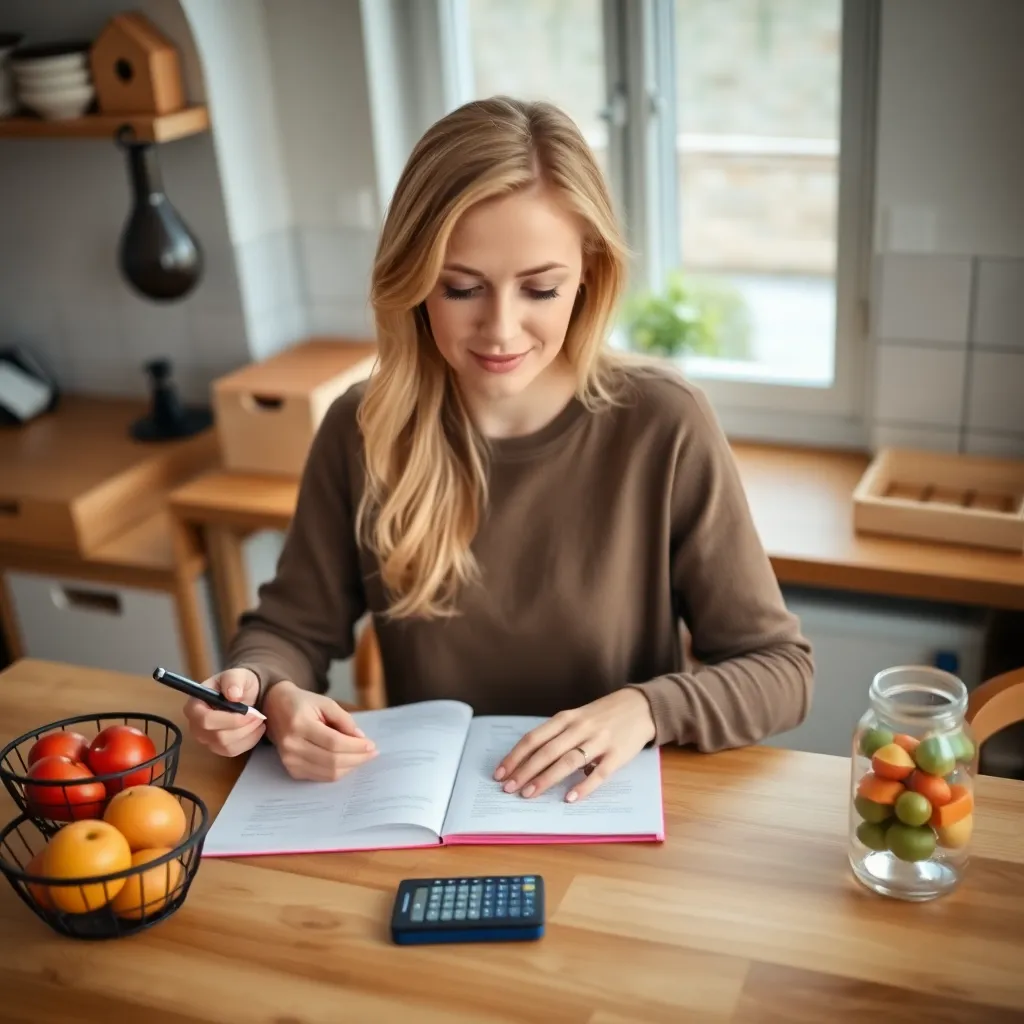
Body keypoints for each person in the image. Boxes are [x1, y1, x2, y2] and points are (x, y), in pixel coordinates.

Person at [184, 96, 813, 804]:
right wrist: (264, 691)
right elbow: (288, 629)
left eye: (540, 288)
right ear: (415, 280)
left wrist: (646, 709)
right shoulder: (362, 429)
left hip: (609, 815)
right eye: (461, 288)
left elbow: (779, 670)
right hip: (432, 823)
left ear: (588, 274)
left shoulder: (663, 423)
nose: (501, 329)